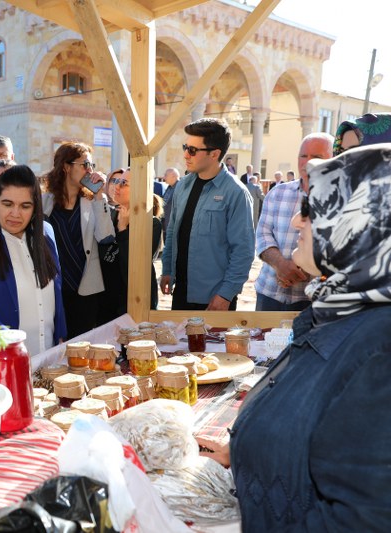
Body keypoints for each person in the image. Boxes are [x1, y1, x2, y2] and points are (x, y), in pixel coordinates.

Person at [200, 144, 391, 532]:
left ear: (362, 225)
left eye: (312, 210)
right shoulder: (339, 309)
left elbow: (363, 519)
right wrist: (246, 454)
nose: (296, 222)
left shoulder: (381, 349)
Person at [0, 165, 67, 355]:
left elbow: (56, 292)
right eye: (8, 204)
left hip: (51, 357)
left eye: (25, 206)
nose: (16, 213)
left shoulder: (46, 233)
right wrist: (9, 342)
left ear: (35, 208)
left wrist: (61, 333)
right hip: (4, 359)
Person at [160, 118, 254, 311]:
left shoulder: (236, 192)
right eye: (186, 147)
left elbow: (243, 251)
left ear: (215, 154)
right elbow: (172, 232)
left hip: (215, 298)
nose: (186, 154)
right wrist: (167, 270)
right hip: (181, 292)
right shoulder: (183, 186)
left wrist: (226, 294)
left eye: (193, 150)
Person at [254, 133, 333, 311]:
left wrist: (306, 268)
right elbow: (263, 234)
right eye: (303, 156)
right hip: (270, 293)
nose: (308, 162)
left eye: (317, 156)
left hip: (313, 299)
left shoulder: (341, 200)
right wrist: (280, 265)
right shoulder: (277, 193)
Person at [42, 142, 114, 338]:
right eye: (85, 165)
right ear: (66, 167)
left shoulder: (93, 202)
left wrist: (100, 195)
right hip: (52, 289)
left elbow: (106, 237)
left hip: (85, 290)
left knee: (81, 345)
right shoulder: (44, 203)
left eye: (91, 165)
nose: (90, 170)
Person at [100, 168, 163, 319]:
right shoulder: (109, 215)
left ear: (139, 189)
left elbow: (135, 264)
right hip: (107, 301)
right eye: (116, 181)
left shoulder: (151, 223)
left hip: (134, 302)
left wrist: (123, 229)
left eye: (123, 183)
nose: (117, 186)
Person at [161, 167, 180, 236]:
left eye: (166, 175)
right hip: (165, 224)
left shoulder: (180, 188)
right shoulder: (169, 187)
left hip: (174, 227)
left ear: (173, 176)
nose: (164, 177)